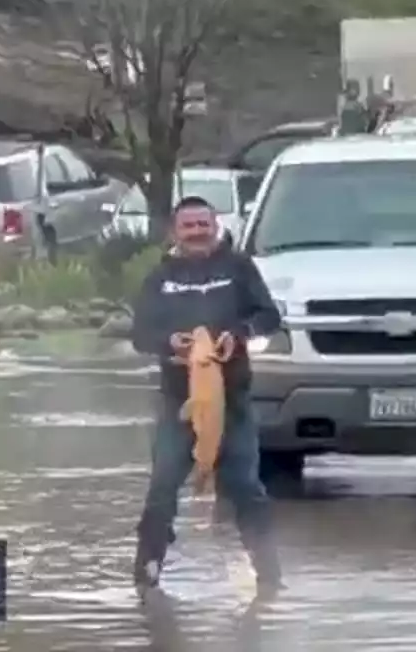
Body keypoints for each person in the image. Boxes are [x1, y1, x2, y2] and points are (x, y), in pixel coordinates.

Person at [129, 195, 284, 596]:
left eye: (204, 224)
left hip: (232, 401)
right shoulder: (159, 277)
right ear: (174, 232)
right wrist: (170, 342)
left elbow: (269, 316)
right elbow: (140, 335)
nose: (197, 232)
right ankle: (146, 575)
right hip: (178, 404)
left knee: (246, 487)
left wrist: (241, 334)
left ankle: (270, 576)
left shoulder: (239, 267)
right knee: (162, 486)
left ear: (216, 226)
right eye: (189, 225)